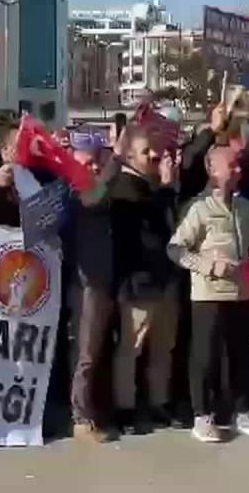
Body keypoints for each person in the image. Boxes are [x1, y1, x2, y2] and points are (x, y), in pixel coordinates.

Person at [167, 145, 249, 443]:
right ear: (213, 170)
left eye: (239, 165)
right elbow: (176, 249)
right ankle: (202, 416)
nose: (239, 170)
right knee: (205, 357)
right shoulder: (199, 208)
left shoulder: (244, 207)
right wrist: (210, 266)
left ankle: (242, 412)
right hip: (209, 294)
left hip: (244, 293)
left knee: (242, 355)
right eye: (232, 165)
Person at [107, 126, 179, 434]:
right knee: (131, 348)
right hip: (138, 282)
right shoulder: (124, 186)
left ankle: (157, 402)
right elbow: (146, 219)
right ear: (131, 155)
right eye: (147, 152)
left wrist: (166, 188)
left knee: (163, 347)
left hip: (165, 279)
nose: (154, 156)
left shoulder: (155, 186)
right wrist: (164, 188)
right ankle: (125, 407)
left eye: (156, 151)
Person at [65, 136, 122, 442]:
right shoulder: (75, 191)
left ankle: (94, 411)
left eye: (97, 162)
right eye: (88, 162)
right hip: (84, 282)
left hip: (102, 279)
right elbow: (96, 196)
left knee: (96, 351)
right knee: (84, 353)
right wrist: (119, 157)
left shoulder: (94, 188)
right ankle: (80, 418)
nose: (94, 167)